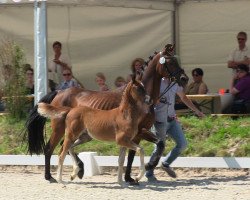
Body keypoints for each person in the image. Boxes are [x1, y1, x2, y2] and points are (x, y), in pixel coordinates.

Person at [145, 77, 205, 182]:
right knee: (159, 148)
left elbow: (184, 98)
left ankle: (166, 163)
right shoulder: (157, 83)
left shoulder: (174, 84)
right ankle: (149, 173)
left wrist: (197, 111)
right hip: (160, 120)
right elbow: (147, 99)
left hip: (172, 120)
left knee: (183, 144)